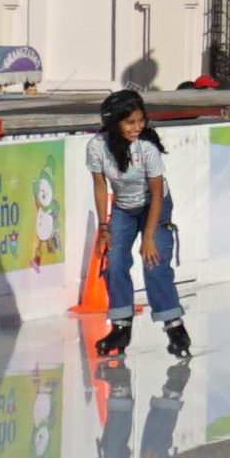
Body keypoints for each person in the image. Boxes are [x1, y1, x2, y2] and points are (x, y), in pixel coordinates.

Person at [86, 92, 182, 356]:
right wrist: (104, 229)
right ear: (113, 123)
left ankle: (174, 326)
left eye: (141, 121)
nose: (137, 127)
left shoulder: (147, 149)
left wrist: (149, 237)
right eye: (129, 122)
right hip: (123, 208)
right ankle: (120, 327)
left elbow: (156, 193)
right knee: (115, 262)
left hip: (155, 206)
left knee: (154, 262)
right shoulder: (96, 146)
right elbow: (99, 186)